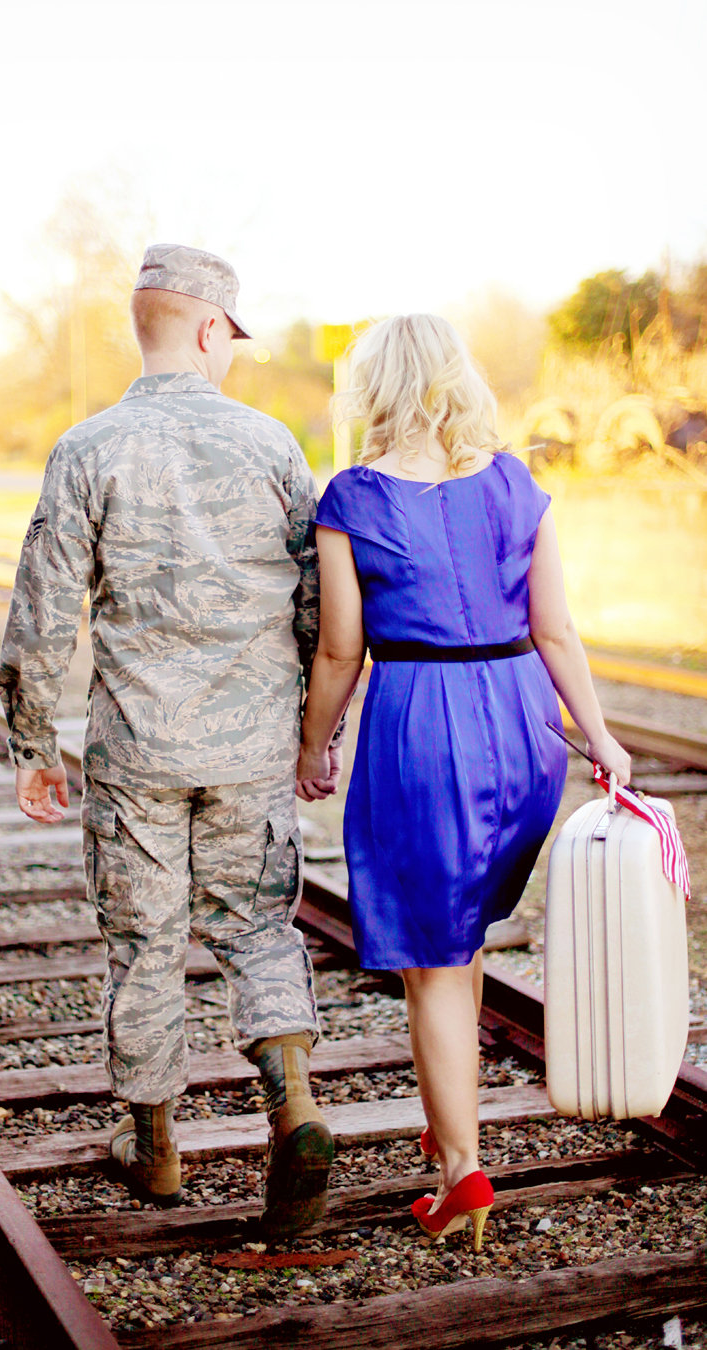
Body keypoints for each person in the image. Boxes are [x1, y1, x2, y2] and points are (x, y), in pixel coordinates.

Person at [0, 244, 336, 1236]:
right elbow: (320, 607)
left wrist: (34, 742)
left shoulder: (87, 448)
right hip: (251, 749)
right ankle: (294, 1108)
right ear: (205, 328)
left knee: (144, 941)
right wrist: (317, 733)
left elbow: (43, 612)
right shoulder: (273, 445)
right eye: (232, 333)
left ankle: (154, 1149)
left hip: (137, 751)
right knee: (258, 926)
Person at [296, 314, 630, 1252]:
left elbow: (339, 648)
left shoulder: (351, 498)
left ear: (370, 391)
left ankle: (460, 1174)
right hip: (524, 720)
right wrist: (598, 738)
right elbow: (558, 630)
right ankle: (459, 1142)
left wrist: (312, 745)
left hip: (423, 725)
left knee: (433, 964)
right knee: (463, 936)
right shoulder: (516, 483)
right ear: (457, 381)